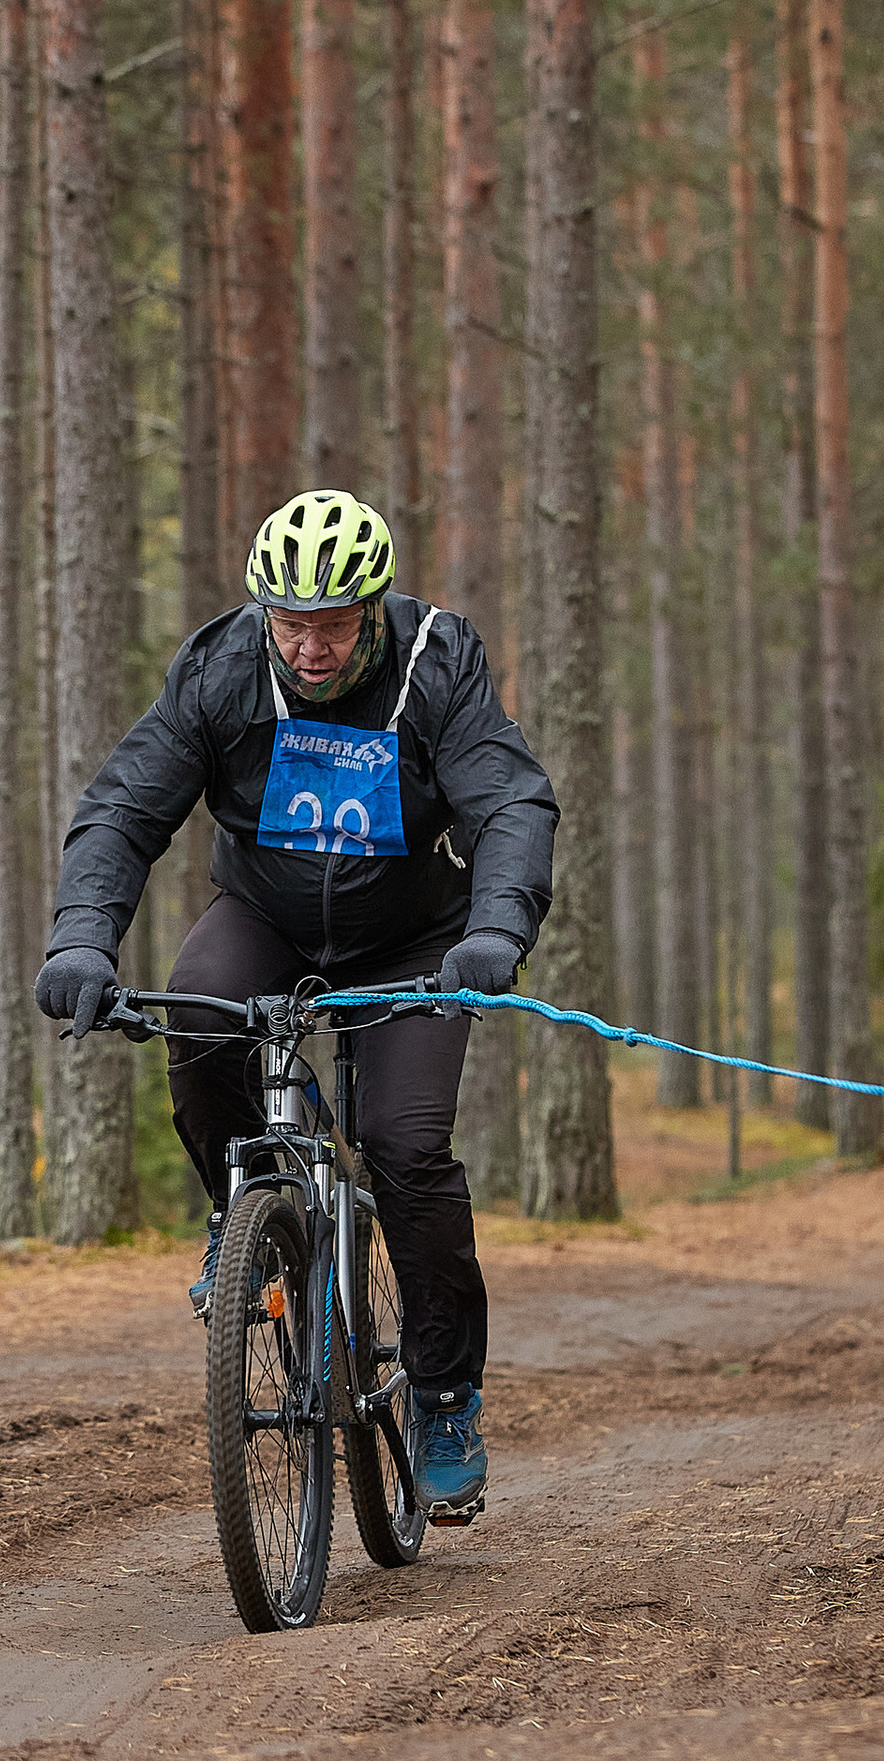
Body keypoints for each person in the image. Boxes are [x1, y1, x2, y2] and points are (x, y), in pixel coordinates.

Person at [34, 490, 557, 1524]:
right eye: (291, 623)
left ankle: (445, 1397)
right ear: (263, 610)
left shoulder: (432, 662)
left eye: (331, 624)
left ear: (371, 607)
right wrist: (80, 938)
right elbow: (125, 808)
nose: (310, 649)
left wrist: (495, 929)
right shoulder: (222, 667)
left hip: (415, 937)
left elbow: (507, 799)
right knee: (197, 1007)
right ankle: (248, 1222)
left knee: (405, 1149)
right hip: (267, 915)